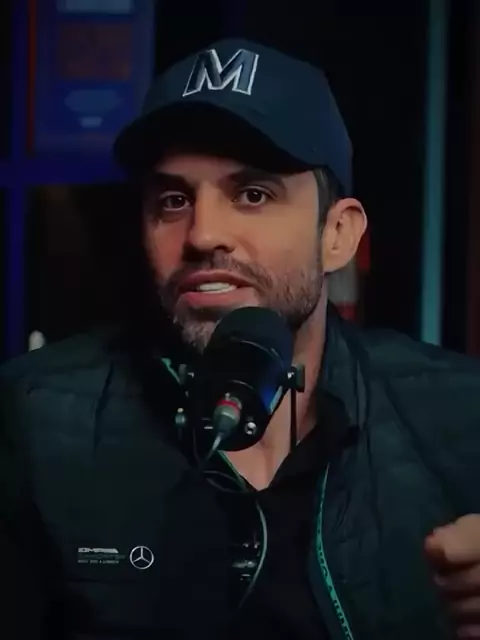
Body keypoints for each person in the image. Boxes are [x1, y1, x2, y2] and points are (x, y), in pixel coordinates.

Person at [2, 38, 480, 640]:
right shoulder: (33, 420)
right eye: (173, 200)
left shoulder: (460, 416)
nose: (203, 233)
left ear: (337, 234)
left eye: (253, 194)